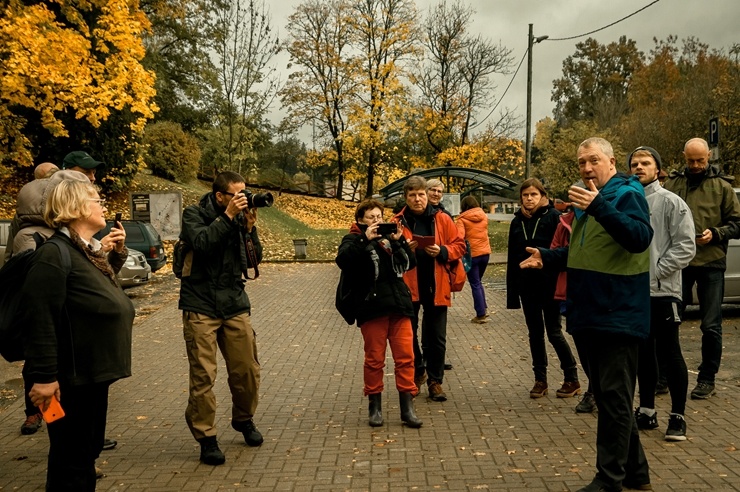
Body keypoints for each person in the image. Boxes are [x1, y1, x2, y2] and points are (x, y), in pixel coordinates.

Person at [521, 137, 653, 492]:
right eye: (581, 162)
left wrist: (598, 208)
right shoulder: (586, 203)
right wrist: (547, 258)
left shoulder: (627, 194)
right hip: (589, 312)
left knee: (614, 399)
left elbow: (640, 237)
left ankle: (609, 479)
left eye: (593, 160)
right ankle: (637, 475)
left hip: (618, 313)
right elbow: (585, 254)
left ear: (611, 162)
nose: (586, 168)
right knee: (613, 398)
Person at [20, 179, 133, 491]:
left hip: (92, 377)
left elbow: (98, 292)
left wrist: (113, 252)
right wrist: (43, 378)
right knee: (70, 462)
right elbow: (40, 320)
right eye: (95, 200)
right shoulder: (54, 255)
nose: (103, 205)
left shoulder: (82, 251)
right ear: (75, 209)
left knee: (85, 455)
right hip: (69, 381)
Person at [178, 171, 264, 466]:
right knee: (203, 376)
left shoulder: (240, 218)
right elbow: (202, 244)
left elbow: (254, 260)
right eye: (236, 194)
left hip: (234, 301)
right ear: (220, 196)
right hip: (200, 303)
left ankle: (244, 419)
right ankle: (207, 438)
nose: (242, 198)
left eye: (245, 193)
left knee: (247, 370)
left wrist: (250, 229)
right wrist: (228, 217)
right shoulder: (193, 214)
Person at [8, 170, 90, 436]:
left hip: (67, 329)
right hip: (53, 325)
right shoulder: (46, 244)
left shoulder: (31, 231)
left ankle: (58, 425)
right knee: (41, 366)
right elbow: (40, 299)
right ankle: (38, 415)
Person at [663, 137, 740, 399]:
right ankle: (664, 375)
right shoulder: (673, 184)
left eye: (700, 160)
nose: (695, 165)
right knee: (669, 321)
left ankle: (707, 378)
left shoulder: (722, 187)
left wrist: (716, 234)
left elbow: (737, 224)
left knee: (711, 326)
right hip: (680, 263)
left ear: (709, 156)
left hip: (711, 262)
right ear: (683, 156)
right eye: (690, 160)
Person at [335, 199, 422, 428]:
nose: (377, 221)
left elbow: (410, 263)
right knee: (375, 360)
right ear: (360, 221)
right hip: (372, 308)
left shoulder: (389, 240)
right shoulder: (354, 239)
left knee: (406, 357)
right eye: (371, 218)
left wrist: (399, 240)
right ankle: (375, 407)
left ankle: (407, 407)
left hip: (399, 306)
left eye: (379, 216)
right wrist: (366, 238)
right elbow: (343, 260)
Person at [629, 146, 696, 441]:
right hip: (634, 293)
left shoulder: (672, 202)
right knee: (643, 353)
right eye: (634, 163)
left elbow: (685, 246)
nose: (639, 167)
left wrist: (656, 271)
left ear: (658, 169)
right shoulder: (625, 201)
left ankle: (678, 416)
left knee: (670, 354)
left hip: (663, 292)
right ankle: (647, 410)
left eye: (645, 163)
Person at [507, 178, 580, 399]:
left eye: (533, 195)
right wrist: (513, 295)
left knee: (554, 332)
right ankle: (540, 379)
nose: (529, 199)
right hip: (527, 287)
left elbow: (561, 252)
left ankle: (571, 377)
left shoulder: (554, 218)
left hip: (549, 286)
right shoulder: (516, 222)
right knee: (534, 334)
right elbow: (512, 258)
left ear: (543, 196)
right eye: (525, 195)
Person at [395, 176, 466, 401]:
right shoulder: (397, 221)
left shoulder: (442, 219)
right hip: (408, 286)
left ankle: (436, 381)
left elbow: (460, 245)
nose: (418, 199)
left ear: (428, 195)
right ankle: (418, 370)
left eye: (421, 195)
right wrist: (403, 248)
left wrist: (443, 251)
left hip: (437, 284)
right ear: (406, 197)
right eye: (412, 195)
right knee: (407, 334)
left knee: (436, 338)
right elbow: (387, 251)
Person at [426, 178, 454, 370]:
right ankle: (423, 362)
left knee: (436, 327)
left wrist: (443, 251)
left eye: (439, 191)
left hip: (439, 275)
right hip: (417, 275)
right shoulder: (408, 215)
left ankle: (435, 363)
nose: (436, 194)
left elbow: (458, 244)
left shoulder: (445, 216)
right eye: (432, 190)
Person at [456, 195, 491, 323]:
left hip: (472, 255)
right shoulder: (484, 216)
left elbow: (459, 237)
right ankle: (484, 308)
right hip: (485, 253)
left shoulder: (462, 220)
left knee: (475, 283)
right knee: (478, 282)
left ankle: (480, 314)